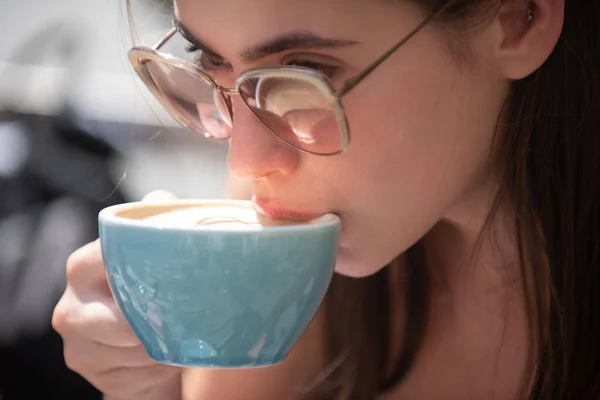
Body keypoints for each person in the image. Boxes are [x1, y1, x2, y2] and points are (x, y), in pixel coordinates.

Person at [51, 0, 600, 398]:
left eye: (303, 75)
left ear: (517, 18)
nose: (245, 162)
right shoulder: (291, 238)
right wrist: (151, 385)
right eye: (208, 59)